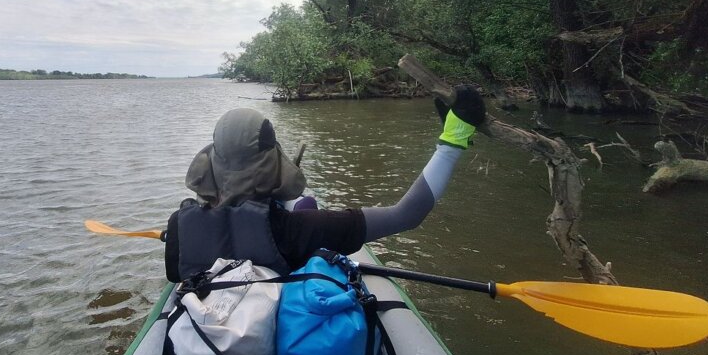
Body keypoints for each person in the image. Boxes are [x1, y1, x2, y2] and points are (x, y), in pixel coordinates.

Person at [163, 88, 486, 283]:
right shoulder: (302, 228)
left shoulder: (180, 226)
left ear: (213, 164)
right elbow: (408, 214)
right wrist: (452, 140)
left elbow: (181, 274)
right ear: (273, 164)